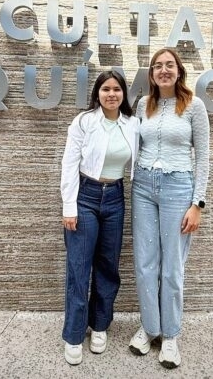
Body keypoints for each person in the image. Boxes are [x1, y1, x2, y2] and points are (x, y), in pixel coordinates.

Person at [128, 48, 210, 369]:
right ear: (151, 74)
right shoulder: (141, 106)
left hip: (179, 188)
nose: (164, 70)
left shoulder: (194, 106)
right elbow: (134, 146)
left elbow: (202, 157)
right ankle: (150, 328)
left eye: (169, 65)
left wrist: (197, 203)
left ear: (179, 71)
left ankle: (171, 335)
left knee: (172, 265)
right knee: (145, 262)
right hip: (143, 187)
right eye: (158, 66)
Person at [60, 70, 140, 365]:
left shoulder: (132, 125)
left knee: (108, 265)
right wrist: (69, 206)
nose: (111, 94)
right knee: (79, 267)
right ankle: (73, 333)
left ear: (123, 94)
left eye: (116, 89)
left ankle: (100, 326)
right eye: (106, 89)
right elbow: (69, 164)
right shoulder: (83, 122)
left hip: (116, 198)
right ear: (97, 93)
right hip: (86, 196)